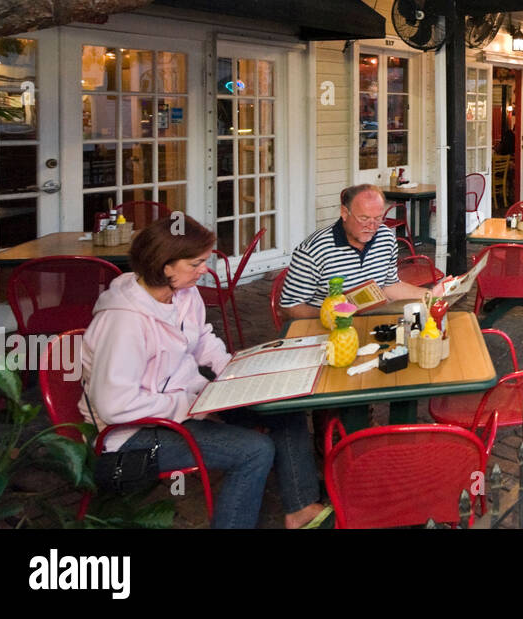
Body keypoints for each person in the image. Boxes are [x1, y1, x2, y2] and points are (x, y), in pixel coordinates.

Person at [79, 218, 330, 529]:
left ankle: (301, 507)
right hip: (131, 433)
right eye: (195, 263)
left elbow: (203, 340)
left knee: (283, 411)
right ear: (164, 264)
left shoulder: (183, 294)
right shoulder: (123, 323)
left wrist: (235, 375)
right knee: (253, 451)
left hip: (189, 404)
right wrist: (190, 406)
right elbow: (115, 405)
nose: (203, 270)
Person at [279, 183, 426, 319]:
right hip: (328, 330)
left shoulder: (385, 237)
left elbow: (389, 285)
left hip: (370, 320)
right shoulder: (313, 251)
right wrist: (337, 318)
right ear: (344, 212)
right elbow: (289, 306)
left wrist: (430, 296)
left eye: (378, 218)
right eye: (364, 218)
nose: (371, 226)